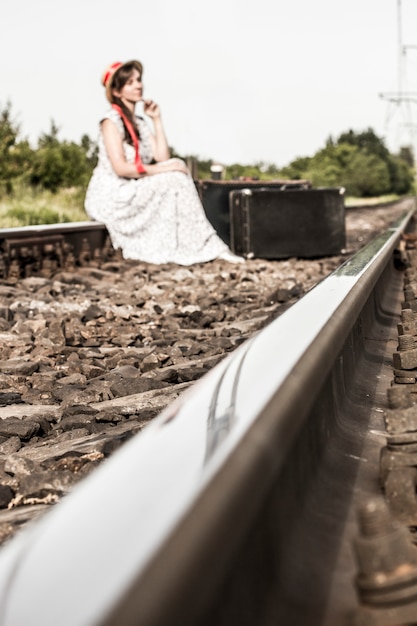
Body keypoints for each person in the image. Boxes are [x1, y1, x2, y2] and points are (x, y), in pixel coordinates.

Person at [85, 60, 243, 265]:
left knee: (176, 169)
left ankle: (203, 244)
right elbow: (121, 167)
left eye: (139, 80)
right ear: (117, 92)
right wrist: (166, 169)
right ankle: (206, 244)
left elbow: (162, 157)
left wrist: (157, 120)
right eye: (130, 83)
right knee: (174, 174)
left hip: (131, 189)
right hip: (112, 195)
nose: (138, 85)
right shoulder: (111, 121)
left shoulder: (140, 123)